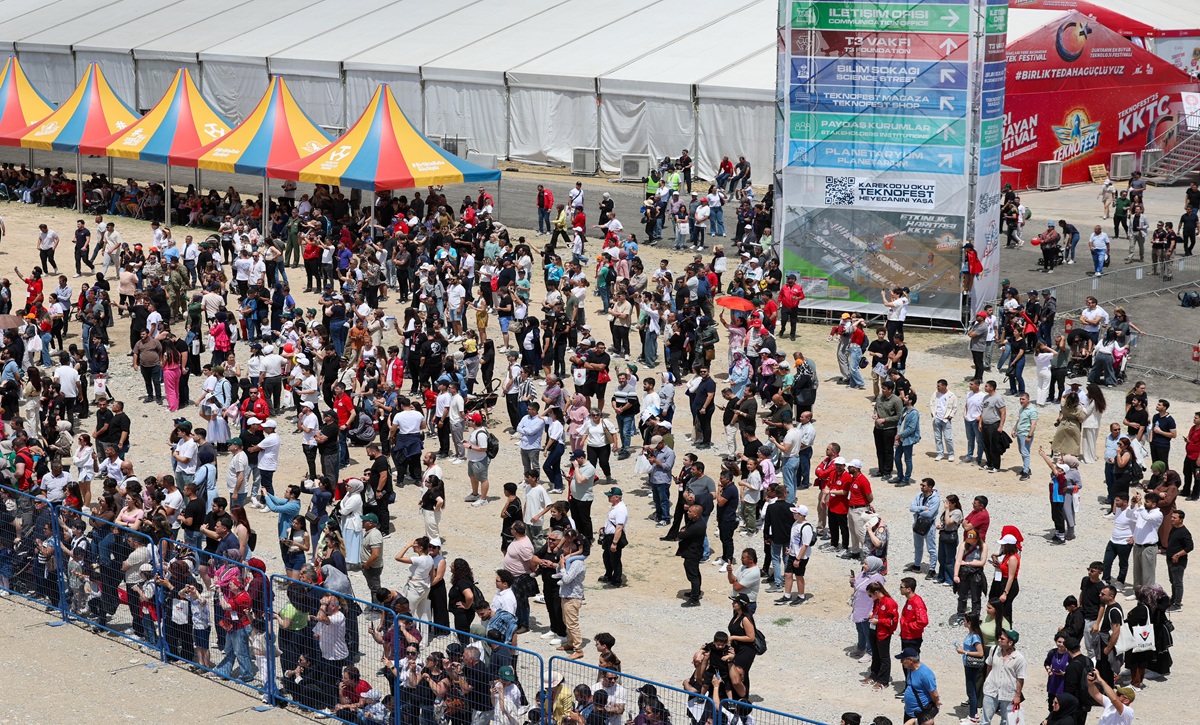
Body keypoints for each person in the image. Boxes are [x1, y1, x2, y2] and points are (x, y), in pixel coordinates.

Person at [980, 629, 1026, 725]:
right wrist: (987, 681)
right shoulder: (994, 650)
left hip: (1008, 694)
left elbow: (1020, 678)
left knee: (1006, 721)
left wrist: (1017, 696)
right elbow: (989, 665)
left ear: (1010, 643)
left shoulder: (1019, 659)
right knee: (985, 720)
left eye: (1002, 639)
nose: (999, 640)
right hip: (991, 691)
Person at [863, 582, 898, 690]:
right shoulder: (877, 601)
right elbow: (876, 612)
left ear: (876, 592)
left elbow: (893, 621)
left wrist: (879, 621)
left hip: (883, 633)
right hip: (874, 631)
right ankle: (874, 674)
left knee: (884, 657)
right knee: (875, 654)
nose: (870, 597)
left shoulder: (890, 603)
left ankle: (883, 680)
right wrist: (872, 614)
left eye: (870, 595)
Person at [898, 648, 940, 725]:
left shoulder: (926, 674)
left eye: (903, 659)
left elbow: (935, 695)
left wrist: (931, 710)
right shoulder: (910, 669)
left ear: (910, 660)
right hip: (909, 711)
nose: (901, 662)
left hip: (921, 714)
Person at [1165, 509, 1192, 610]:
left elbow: (1190, 547)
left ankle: (1177, 604)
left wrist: (1178, 555)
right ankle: (1173, 599)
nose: (1172, 519)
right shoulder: (1174, 529)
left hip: (1178, 562)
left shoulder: (1184, 532)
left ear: (1181, 520)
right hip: (1170, 559)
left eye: (1174, 518)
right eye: (1172, 517)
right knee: (1173, 581)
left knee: (1178, 583)